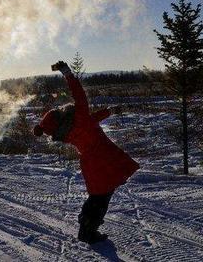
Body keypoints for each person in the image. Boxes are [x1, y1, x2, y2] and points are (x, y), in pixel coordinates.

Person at [33, 61, 139, 244]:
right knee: (102, 198)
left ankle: (86, 225)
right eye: (58, 111)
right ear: (60, 117)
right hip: (104, 159)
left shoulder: (68, 131)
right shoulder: (79, 116)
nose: (61, 109)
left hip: (91, 164)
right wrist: (67, 73)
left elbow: (91, 121)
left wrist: (109, 111)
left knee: (98, 195)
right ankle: (88, 231)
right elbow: (79, 93)